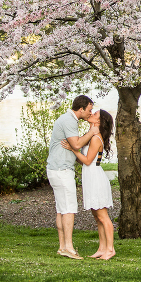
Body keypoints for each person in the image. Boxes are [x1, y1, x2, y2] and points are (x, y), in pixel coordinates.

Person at [46, 95, 98, 260]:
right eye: (89, 110)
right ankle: (68, 247)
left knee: (62, 209)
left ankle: (62, 246)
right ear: (81, 108)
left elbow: (74, 145)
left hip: (56, 169)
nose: (90, 113)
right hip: (61, 170)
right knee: (68, 209)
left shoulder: (68, 120)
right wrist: (92, 132)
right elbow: (76, 144)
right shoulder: (69, 120)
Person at [62, 109, 116, 260]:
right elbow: (84, 160)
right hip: (90, 177)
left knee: (103, 216)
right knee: (97, 216)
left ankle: (110, 249)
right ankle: (102, 248)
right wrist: (75, 152)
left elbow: (87, 161)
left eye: (95, 114)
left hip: (96, 179)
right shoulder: (93, 135)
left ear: (99, 122)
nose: (91, 114)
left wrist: (73, 149)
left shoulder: (96, 138)